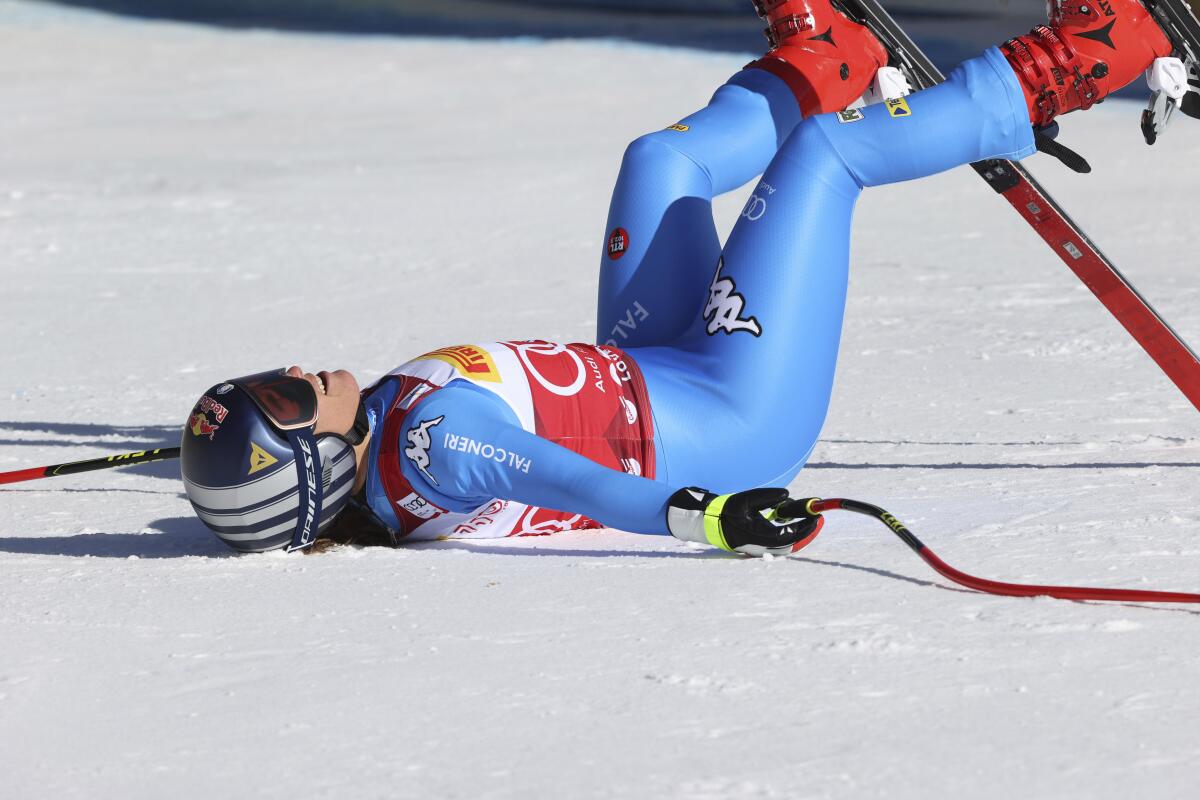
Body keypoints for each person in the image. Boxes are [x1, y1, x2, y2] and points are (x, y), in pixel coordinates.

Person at [180, 0, 1179, 555]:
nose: (301, 370)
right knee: (826, 161)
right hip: (734, 416)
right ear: (311, 463)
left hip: (652, 362)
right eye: (285, 395)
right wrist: (712, 513)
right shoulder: (436, 444)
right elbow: (577, 480)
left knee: (658, 164)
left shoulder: (379, 457)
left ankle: (827, 55)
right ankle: (1093, 51)